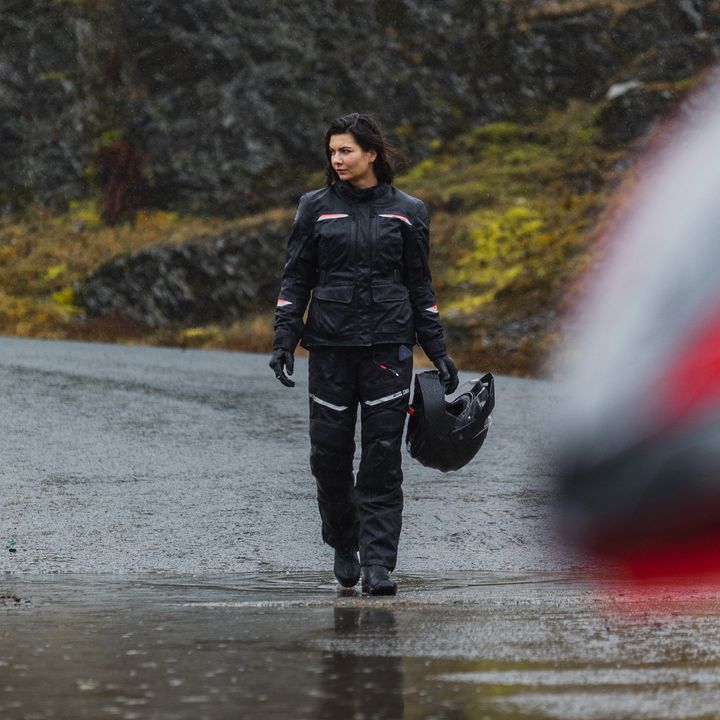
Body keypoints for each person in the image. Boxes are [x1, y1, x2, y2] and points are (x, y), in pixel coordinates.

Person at [269, 112, 458, 595]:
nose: (337, 160)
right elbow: (296, 278)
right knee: (327, 457)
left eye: (346, 150)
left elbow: (421, 286)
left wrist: (437, 350)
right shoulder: (315, 208)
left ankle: (379, 565)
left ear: (371, 153)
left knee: (380, 458)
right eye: (332, 152)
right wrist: (284, 340)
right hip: (330, 350)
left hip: (387, 351)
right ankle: (343, 542)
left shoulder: (408, 211)